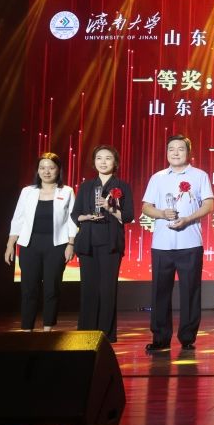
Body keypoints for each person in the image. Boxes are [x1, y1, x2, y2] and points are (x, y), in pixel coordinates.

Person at [141, 135, 214, 353]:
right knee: (160, 291)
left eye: (180, 149)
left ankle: (187, 337)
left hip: (190, 242)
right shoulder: (157, 177)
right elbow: (146, 207)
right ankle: (160, 338)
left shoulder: (199, 176)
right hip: (162, 244)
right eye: (171, 149)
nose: (175, 152)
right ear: (166, 153)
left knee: (190, 291)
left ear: (188, 152)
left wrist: (188, 218)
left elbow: (208, 204)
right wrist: (162, 213)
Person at [5, 152, 77, 332]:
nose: (46, 171)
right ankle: (26, 329)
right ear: (37, 170)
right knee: (29, 288)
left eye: (51, 168)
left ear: (58, 170)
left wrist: (71, 244)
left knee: (52, 288)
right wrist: (10, 244)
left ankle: (47, 329)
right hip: (30, 245)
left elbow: (72, 220)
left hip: (57, 245)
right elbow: (18, 218)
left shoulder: (67, 191)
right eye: (42, 168)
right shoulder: (27, 192)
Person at [71, 145, 134, 342]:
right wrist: (87, 217)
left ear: (115, 163)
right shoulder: (86, 186)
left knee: (107, 289)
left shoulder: (122, 186)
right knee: (88, 288)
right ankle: (86, 332)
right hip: (88, 241)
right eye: (99, 158)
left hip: (110, 242)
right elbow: (75, 214)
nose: (103, 162)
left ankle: (106, 334)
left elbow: (128, 216)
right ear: (94, 162)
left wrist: (110, 208)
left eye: (108, 158)